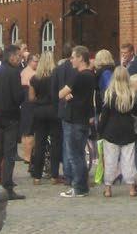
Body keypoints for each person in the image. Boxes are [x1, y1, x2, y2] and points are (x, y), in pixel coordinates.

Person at [0, 43, 26, 198]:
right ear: (12, 57)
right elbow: (17, 96)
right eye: (19, 57)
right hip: (11, 116)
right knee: (9, 153)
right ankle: (7, 186)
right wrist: (24, 92)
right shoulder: (14, 73)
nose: (20, 59)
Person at [58, 45, 97, 198]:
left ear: (81, 58)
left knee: (74, 155)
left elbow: (61, 93)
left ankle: (78, 187)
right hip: (83, 118)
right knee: (80, 154)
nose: (71, 60)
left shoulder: (78, 76)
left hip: (74, 118)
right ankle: (83, 186)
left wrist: (67, 95)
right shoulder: (91, 75)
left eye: (73, 57)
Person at [98, 64, 137, 196]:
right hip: (128, 130)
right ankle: (131, 188)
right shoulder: (131, 94)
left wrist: (100, 131)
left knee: (110, 160)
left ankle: (108, 189)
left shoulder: (109, 94)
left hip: (111, 130)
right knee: (129, 160)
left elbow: (104, 115)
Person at [29, 51, 62, 184]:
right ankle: (54, 175)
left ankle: (37, 176)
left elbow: (31, 97)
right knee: (55, 143)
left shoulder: (35, 78)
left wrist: (39, 100)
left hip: (40, 111)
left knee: (39, 144)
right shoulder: (56, 77)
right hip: (54, 111)